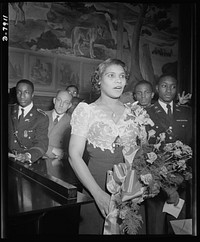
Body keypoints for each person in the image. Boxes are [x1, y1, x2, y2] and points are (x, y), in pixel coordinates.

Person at [68, 58, 148, 234]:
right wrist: (97, 194)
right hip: (96, 186)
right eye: (111, 75)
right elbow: (74, 155)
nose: (118, 80)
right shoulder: (86, 110)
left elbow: (141, 153)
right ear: (99, 79)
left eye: (122, 76)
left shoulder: (134, 112)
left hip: (130, 191)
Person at [145, 74, 193, 234]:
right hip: (156, 182)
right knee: (155, 228)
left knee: (180, 229)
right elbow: (144, 150)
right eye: (164, 86)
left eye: (173, 86)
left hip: (180, 180)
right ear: (157, 88)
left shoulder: (186, 112)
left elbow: (190, 143)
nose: (169, 90)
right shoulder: (147, 113)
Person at [8, 79, 49, 164]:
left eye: (26, 92)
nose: (22, 96)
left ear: (32, 94)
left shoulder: (41, 117)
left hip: (26, 163)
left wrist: (27, 155)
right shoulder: (9, 110)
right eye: (19, 92)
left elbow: (41, 144)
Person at [44, 90, 72, 159]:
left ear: (69, 105)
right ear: (54, 101)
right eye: (59, 100)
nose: (61, 105)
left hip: (56, 163)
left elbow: (71, 151)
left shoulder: (72, 122)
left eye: (66, 102)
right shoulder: (42, 116)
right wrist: (52, 150)